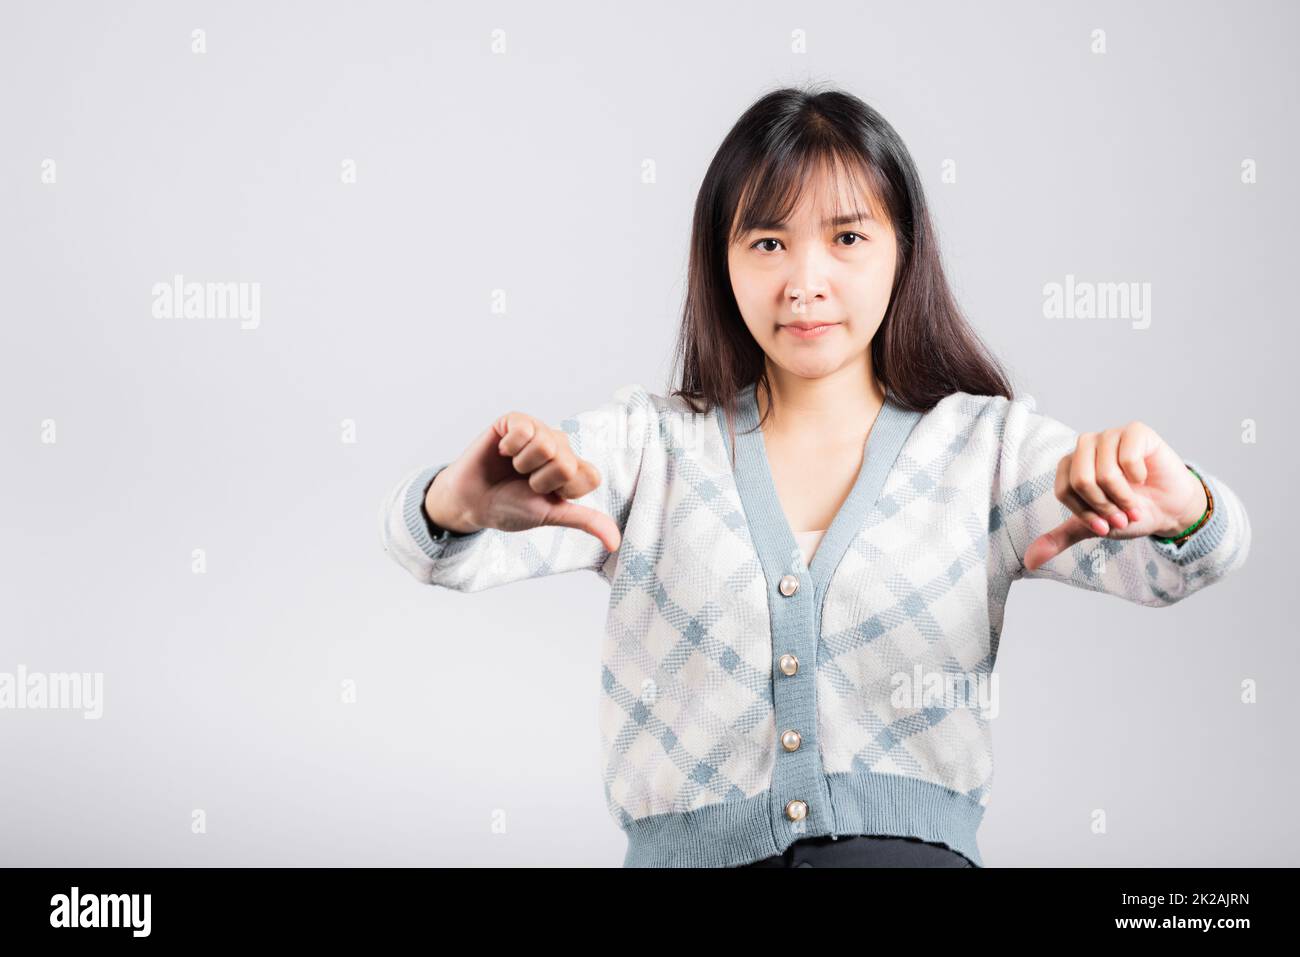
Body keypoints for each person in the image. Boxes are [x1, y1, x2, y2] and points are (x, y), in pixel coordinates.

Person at [380, 84, 1250, 868]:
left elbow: (1187, 560)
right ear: (721, 261)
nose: (805, 281)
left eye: (846, 237)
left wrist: (1186, 505)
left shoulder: (985, 449)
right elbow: (435, 549)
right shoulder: (651, 446)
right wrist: (453, 505)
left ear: (902, 250)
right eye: (767, 241)